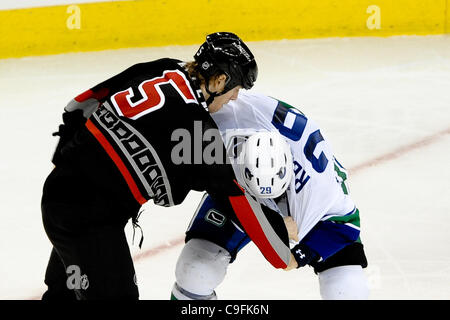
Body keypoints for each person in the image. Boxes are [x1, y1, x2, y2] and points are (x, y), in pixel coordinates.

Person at [41, 32, 293, 300]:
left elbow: (82, 104)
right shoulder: (196, 130)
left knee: (64, 293)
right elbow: (233, 195)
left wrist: (68, 160)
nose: (234, 99)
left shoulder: (161, 68)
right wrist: (279, 240)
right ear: (220, 81)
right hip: (89, 220)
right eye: (236, 89)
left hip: (59, 193)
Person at [171, 92, 369, 300]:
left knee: (346, 289)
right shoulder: (224, 137)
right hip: (239, 188)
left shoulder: (318, 190)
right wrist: (271, 224)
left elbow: (346, 224)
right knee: (195, 269)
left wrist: (298, 257)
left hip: (301, 205)